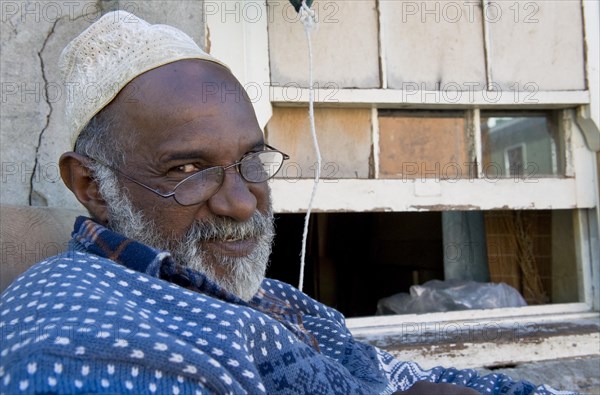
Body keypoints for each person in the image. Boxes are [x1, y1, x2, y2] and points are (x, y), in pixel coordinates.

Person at [0, 11, 579, 395]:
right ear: (92, 187)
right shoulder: (77, 329)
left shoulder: (268, 298)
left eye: (252, 160)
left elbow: (386, 373)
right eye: (188, 169)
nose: (239, 202)